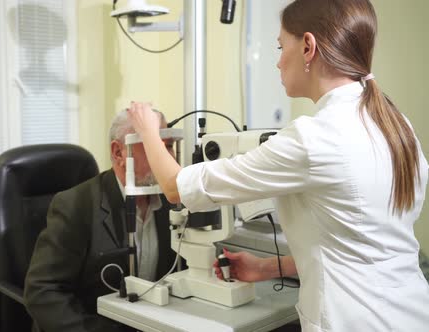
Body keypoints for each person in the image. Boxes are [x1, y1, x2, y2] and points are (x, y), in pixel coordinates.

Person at [126, 0, 429, 331]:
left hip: (355, 320)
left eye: (281, 46)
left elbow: (174, 188)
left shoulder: (314, 138)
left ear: (308, 47)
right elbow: (354, 246)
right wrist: (268, 268)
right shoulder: (395, 124)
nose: (278, 61)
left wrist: (147, 131)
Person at [23, 109, 178, 332]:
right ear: (118, 153)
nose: (168, 158)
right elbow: (43, 291)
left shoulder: (172, 204)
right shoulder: (75, 205)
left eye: (169, 146)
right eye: (152, 145)